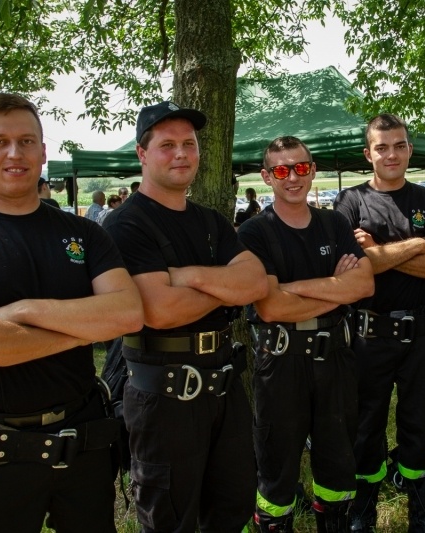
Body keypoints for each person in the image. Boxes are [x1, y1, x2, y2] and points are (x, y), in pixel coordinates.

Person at [0, 93, 144, 532]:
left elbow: (128, 313)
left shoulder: (82, 233)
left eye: (27, 141)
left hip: (83, 440)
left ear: (43, 151)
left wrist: (24, 311)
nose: (14, 153)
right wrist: (85, 328)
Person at [102, 100, 268, 533]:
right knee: (170, 520)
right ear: (142, 153)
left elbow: (256, 283)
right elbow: (160, 310)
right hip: (164, 395)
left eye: (189, 144)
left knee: (232, 507)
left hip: (224, 385)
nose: (181, 153)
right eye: (168, 144)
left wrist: (187, 276)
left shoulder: (211, 220)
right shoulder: (126, 225)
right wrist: (224, 290)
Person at [238, 137, 374, 532]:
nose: (293, 177)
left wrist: (294, 287)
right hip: (281, 363)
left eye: (300, 167)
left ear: (312, 169)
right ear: (267, 177)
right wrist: (335, 287)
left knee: (337, 462)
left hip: (336, 360)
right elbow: (271, 307)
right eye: (281, 170)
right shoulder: (254, 232)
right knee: (276, 466)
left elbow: (363, 285)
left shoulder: (334, 223)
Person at [334, 114, 425, 532]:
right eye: (382, 147)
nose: (392, 154)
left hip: (421, 336)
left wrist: (383, 252)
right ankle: (362, 512)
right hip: (368, 337)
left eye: (399, 145)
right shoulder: (350, 202)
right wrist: (417, 245)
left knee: (419, 425)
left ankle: (421, 515)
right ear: (368, 153)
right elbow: (356, 267)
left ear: (409, 149)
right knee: (365, 427)